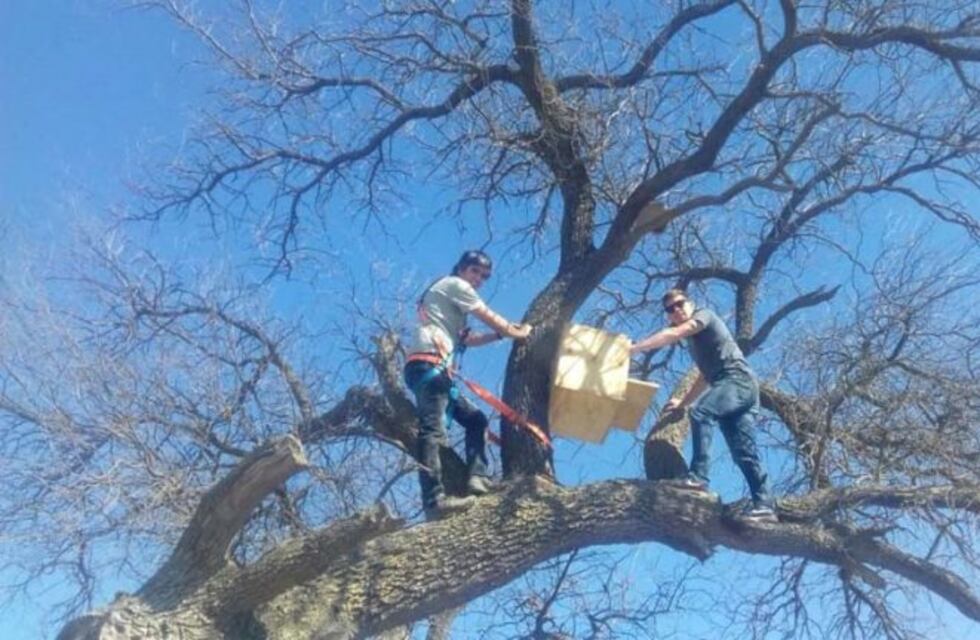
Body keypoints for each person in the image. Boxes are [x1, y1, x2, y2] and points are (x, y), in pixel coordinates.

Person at [404, 250, 533, 518]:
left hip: (436, 370)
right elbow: (483, 312)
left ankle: (477, 478)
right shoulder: (455, 285)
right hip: (428, 364)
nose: (479, 279)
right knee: (433, 430)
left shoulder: (448, 305)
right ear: (462, 268)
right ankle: (434, 501)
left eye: (484, 276)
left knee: (476, 420)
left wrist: (499, 335)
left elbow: (468, 338)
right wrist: (514, 331)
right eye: (475, 271)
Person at [630, 289, 777, 522]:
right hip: (736, 390)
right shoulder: (695, 344)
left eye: (679, 304)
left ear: (690, 303)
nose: (676, 310)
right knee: (744, 454)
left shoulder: (704, 315)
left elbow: (676, 333)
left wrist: (634, 349)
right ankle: (766, 506)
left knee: (702, 413)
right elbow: (703, 376)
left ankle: (697, 478)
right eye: (670, 309)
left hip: (737, 381)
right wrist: (682, 403)